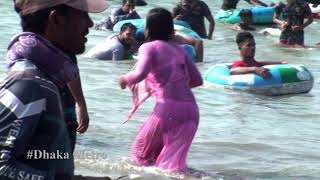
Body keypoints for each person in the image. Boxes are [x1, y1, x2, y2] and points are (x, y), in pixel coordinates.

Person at [0, 0, 111, 179]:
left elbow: (39, 162)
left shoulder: (47, 78)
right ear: (56, 19)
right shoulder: (29, 84)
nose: (90, 23)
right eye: (82, 14)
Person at [119, 8, 203, 171]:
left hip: (168, 110)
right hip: (192, 111)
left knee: (140, 154)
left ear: (147, 30)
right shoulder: (180, 49)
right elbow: (197, 80)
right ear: (172, 30)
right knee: (170, 163)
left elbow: (140, 73)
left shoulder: (148, 47)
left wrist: (124, 79)